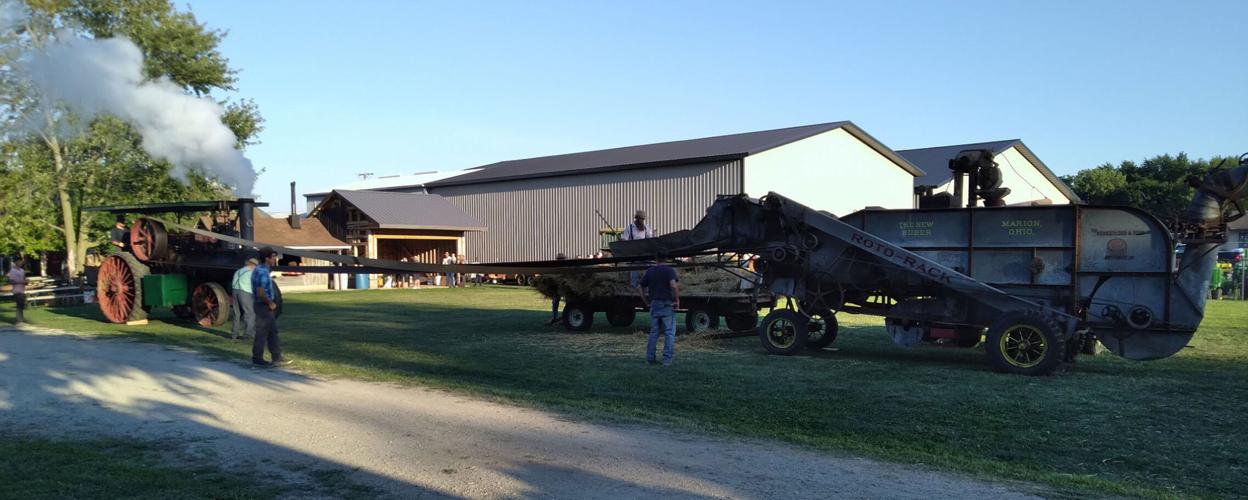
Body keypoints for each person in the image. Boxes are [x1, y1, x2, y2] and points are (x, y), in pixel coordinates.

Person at [636, 254, 680, 366]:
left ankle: (650, 359)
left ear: (655, 259)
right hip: (666, 304)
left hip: (654, 304)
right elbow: (673, 286)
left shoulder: (650, 271)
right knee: (669, 333)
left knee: (654, 333)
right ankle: (666, 360)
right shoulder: (669, 270)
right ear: (666, 258)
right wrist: (677, 300)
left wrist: (646, 302)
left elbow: (640, 287)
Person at [251, 248, 290, 367]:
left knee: (272, 331)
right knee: (262, 332)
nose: (275, 259)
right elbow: (260, 292)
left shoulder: (263, 270)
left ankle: (276, 356)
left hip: (264, 304)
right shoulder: (262, 271)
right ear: (267, 258)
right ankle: (257, 358)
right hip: (263, 305)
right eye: (273, 256)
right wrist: (270, 303)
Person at [622, 210, 654, 287]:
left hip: (644, 252)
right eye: (641, 219)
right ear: (636, 218)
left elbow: (650, 239)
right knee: (634, 268)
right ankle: (633, 286)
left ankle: (647, 284)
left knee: (648, 267)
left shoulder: (646, 227)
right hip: (634, 252)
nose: (642, 221)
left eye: (643, 219)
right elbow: (624, 240)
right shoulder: (629, 228)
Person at [230, 258, 258, 340]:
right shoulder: (251, 272)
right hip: (245, 292)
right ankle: (247, 335)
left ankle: (234, 334)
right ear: (253, 265)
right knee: (250, 313)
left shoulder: (238, 271)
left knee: (237, 313)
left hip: (235, 291)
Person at [548, 253, 567, 325]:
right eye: (560, 259)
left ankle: (564, 316)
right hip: (557, 288)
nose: (561, 260)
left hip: (565, 287)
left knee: (567, 302)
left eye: (562, 259)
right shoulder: (555, 267)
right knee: (555, 302)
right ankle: (554, 317)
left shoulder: (566, 267)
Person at [8, 258, 27, 325]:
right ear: (15, 262)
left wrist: (26, 282)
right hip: (16, 290)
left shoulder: (22, 270)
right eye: (19, 261)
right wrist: (21, 282)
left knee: (22, 305)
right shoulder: (12, 271)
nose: (20, 263)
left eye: (21, 262)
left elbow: (24, 279)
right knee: (19, 304)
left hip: (22, 290)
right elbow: (11, 281)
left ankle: (21, 320)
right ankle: (18, 320)